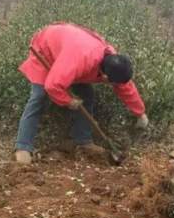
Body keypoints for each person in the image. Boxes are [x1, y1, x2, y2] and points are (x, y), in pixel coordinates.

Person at [14, 22, 149, 163]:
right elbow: (52, 86)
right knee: (40, 96)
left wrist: (140, 113)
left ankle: (83, 141)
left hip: (70, 53)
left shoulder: (113, 62)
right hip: (45, 49)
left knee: (86, 94)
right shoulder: (79, 60)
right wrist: (68, 101)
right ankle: (23, 147)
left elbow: (125, 87)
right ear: (105, 76)